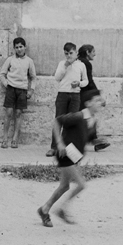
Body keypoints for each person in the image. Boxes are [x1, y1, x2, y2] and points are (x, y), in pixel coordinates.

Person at [37, 89, 102, 227]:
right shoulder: (78, 116)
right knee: (81, 184)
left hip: (74, 157)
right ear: (88, 103)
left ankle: (44, 209)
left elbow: (86, 138)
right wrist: (59, 143)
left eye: (100, 100)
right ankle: (61, 209)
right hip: (65, 154)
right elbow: (57, 121)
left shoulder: (93, 120)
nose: (100, 103)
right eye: (96, 100)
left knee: (64, 186)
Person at [46, 43, 88, 157]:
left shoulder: (81, 65)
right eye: (66, 53)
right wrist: (65, 66)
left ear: (76, 53)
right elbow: (57, 77)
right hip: (62, 94)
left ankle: (66, 148)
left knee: (70, 122)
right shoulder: (62, 64)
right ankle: (54, 147)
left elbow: (86, 81)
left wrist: (79, 83)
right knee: (58, 120)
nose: (69, 56)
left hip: (75, 95)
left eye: (71, 53)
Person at [0, 37, 36, 149]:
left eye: (21, 47)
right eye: (17, 47)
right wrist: (7, 84)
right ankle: (5, 138)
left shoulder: (29, 61)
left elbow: (33, 77)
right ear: (14, 48)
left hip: (22, 90)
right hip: (11, 89)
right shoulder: (10, 60)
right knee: (9, 112)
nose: (19, 49)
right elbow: (2, 74)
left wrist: (31, 90)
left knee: (18, 113)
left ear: (25, 47)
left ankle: (15, 139)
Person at [77, 44, 110, 152]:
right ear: (87, 52)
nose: (94, 54)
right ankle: (91, 140)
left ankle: (93, 140)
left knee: (85, 117)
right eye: (93, 51)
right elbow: (89, 81)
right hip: (84, 94)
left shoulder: (77, 62)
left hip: (76, 93)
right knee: (88, 117)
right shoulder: (86, 63)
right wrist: (98, 95)